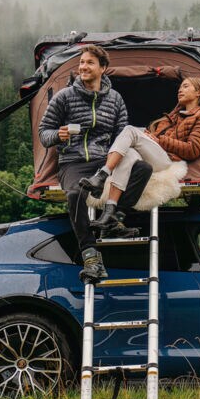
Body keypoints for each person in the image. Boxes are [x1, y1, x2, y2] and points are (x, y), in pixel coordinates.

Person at [38, 45, 152, 283]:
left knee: (143, 169)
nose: (83, 67)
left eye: (89, 63)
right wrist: (58, 135)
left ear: (103, 68)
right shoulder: (64, 97)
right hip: (73, 161)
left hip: (103, 159)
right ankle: (90, 257)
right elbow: (43, 133)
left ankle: (114, 218)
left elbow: (122, 135)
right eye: (81, 63)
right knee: (74, 195)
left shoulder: (115, 99)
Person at [80, 76, 200, 233]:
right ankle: (110, 212)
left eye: (185, 86)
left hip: (168, 160)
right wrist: (150, 135)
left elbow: (193, 150)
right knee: (128, 152)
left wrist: (158, 139)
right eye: (180, 87)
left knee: (129, 130)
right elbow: (154, 140)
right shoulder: (172, 116)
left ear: (198, 92)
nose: (180, 90)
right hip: (154, 154)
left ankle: (102, 175)